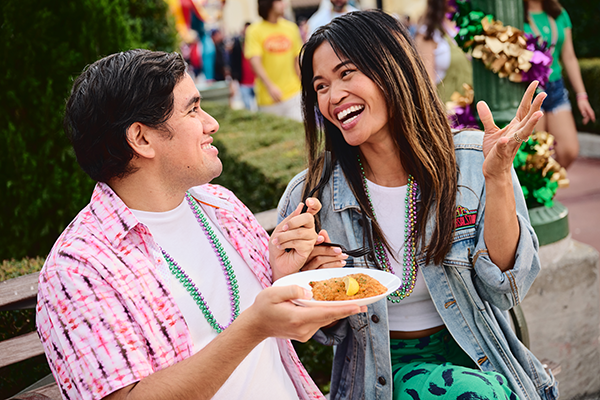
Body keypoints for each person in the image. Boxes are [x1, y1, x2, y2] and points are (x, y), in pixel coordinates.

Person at [36, 49, 365, 400]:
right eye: (193, 109)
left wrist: (286, 277)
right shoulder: (77, 268)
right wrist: (252, 327)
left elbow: (273, 328)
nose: (212, 123)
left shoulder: (221, 205)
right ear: (142, 138)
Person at [278, 10, 558, 400]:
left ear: (393, 69)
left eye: (346, 74)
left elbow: (506, 291)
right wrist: (297, 280)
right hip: (382, 374)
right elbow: (320, 334)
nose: (333, 96)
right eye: (320, 86)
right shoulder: (311, 195)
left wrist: (496, 181)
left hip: (482, 357)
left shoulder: (475, 161)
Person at [523, 0, 596, 169]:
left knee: (569, 150)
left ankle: (546, 190)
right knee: (536, 157)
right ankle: (536, 193)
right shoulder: (517, 16)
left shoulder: (559, 14)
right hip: (530, 90)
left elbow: (569, 57)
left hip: (556, 88)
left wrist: (582, 95)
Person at [245, 0, 303, 122]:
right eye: (279, 1)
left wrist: (304, 85)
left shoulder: (291, 28)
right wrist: (270, 86)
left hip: (294, 93)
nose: (284, 4)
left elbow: (296, 61)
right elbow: (255, 62)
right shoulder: (254, 31)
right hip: (268, 99)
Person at [414, 0, 473, 103]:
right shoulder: (428, 33)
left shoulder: (468, 26)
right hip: (448, 111)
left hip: (472, 109)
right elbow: (427, 84)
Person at [230, 22, 257, 111]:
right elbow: (233, 60)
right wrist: (234, 75)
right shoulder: (238, 43)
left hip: (257, 80)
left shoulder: (257, 43)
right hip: (243, 81)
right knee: (247, 107)